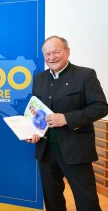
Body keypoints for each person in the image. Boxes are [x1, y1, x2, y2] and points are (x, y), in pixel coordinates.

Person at [28, 35, 108, 211]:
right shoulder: (39, 78)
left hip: (76, 150)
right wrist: (32, 131)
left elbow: (101, 107)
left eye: (56, 52)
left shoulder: (85, 75)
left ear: (67, 52)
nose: (51, 57)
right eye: (47, 54)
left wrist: (66, 118)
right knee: (52, 201)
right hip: (46, 151)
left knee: (87, 202)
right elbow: (35, 111)